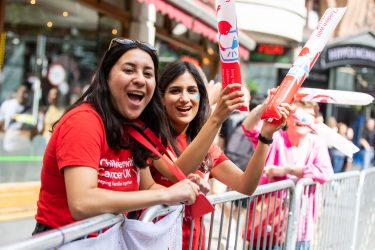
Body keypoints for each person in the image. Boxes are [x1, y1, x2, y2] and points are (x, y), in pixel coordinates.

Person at [33, 38, 209, 235]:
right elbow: (82, 202)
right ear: (106, 77)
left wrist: (186, 191)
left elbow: (148, 185)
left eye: (148, 73)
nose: (140, 79)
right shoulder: (83, 121)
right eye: (129, 70)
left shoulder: (133, 127)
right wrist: (165, 194)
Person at [151, 60, 291, 250]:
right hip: (155, 242)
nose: (184, 98)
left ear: (201, 97)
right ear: (161, 97)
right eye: (175, 90)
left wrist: (266, 136)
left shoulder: (203, 142)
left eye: (192, 91)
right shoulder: (152, 135)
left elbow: (246, 185)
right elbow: (179, 172)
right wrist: (216, 115)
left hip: (194, 243)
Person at [242, 99, 333, 250]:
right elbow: (248, 128)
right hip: (268, 226)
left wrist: (287, 170)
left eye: (308, 115)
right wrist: (267, 104)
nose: (302, 120)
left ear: (314, 121)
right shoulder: (275, 137)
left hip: (300, 229)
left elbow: (325, 172)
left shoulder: (317, 144)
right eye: (297, 114)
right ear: (287, 118)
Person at [0, 82, 37, 153]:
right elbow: (1, 125)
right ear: (17, 92)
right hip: (9, 147)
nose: (25, 95)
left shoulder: (32, 110)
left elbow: (33, 129)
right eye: (23, 92)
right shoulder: (7, 105)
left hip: (24, 148)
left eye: (27, 93)